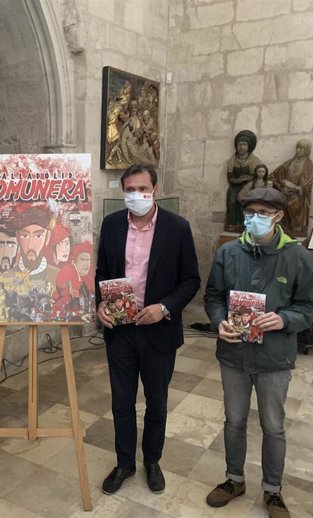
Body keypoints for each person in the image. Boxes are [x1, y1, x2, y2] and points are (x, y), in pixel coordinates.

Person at [204, 187, 313, 518]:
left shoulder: (297, 257)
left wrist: (284, 318)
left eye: (262, 213)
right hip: (234, 355)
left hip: (274, 359)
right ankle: (234, 479)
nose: (254, 219)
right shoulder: (228, 253)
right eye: (249, 213)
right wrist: (218, 322)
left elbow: (311, 307)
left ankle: (273, 490)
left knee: (273, 425)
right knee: (234, 421)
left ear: (278, 217)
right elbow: (213, 296)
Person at [95, 164, 200, 495]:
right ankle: (124, 463)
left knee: (156, 400)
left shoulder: (177, 227)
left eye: (141, 189)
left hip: (159, 330)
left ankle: (152, 461)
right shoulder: (112, 225)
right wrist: (100, 304)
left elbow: (191, 280)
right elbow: (101, 271)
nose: (135, 195)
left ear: (155, 189)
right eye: (129, 189)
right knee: (122, 401)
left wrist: (165, 308)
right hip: (121, 330)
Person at [272, 139, 313, 236]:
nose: (298, 150)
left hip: (298, 194)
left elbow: (309, 181)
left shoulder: (308, 164)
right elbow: (274, 174)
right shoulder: (289, 163)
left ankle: (296, 228)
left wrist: (297, 188)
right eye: (297, 148)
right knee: (281, 203)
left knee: (292, 204)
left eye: (301, 148)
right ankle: (285, 227)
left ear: (307, 150)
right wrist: (280, 186)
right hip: (285, 192)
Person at [225, 130, 263, 232]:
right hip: (235, 186)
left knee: (248, 202)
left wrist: (248, 178)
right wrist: (237, 181)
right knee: (232, 201)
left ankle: (247, 225)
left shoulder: (254, 160)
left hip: (249, 186)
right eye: (239, 144)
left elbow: (260, 174)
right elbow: (230, 177)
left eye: (244, 144)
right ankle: (233, 224)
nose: (241, 147)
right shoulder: (232, 160)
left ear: (249, 146)